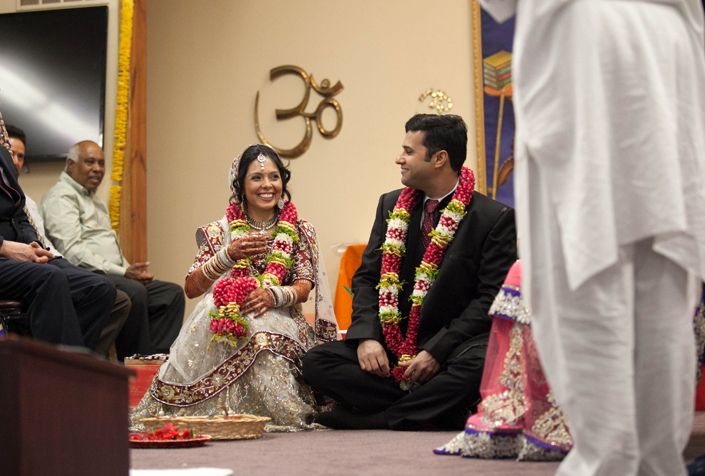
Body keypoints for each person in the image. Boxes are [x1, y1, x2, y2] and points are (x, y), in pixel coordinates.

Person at [468, 0, 705, 474]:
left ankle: (608, 461)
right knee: (665, 271)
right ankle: (659, 462)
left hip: (581, 23)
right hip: (671, 32)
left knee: (580, 270)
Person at [302, 114, 517, 430]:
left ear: (439, 159)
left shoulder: (492, 218)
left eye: (408, 151)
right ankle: (436, 411)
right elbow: (366, 278)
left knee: (481, 362)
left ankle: (380, 418)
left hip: (452, 348)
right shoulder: (390, 205)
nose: (398, 159)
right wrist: (367, 338)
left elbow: (488, 300)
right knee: (317, 363)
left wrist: (436, 351)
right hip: (393, 343)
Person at [129, 144, 338, 431]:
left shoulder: (299, 229)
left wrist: (272, 295)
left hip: (282, 317)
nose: (267, 185)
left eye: (274, 177)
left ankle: (282, 413)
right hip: (228, 314)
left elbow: (304, 286)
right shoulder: (219, 231)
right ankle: (211, 408)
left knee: (259, 330)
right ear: (239, 185)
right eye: (256, 178)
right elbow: (191, 287)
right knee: (215, 306)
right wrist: (228, 255)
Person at [0, 57, 116, 349]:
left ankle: (57, 367)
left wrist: (32, 246)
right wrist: (3, 247)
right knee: (48, 279)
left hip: (18, 255)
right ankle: (63, 384)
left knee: (100, 288)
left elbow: (18, 214)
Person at [41, 140, 185, 359]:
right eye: (90, 162)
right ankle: (134, 370)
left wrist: (129, 270)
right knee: (134, 292)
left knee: (171, 294)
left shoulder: (95, 200)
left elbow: (108, 246)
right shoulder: (61, 198)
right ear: (71, 165)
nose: (98, 169)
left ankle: (155, 367)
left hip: (112, 274)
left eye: (101, 163)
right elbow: (72, 251)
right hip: (85, 277)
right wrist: (124, 273)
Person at [5, 124, 131, 358]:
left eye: (21, 156)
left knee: (110, 291)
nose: (15, 161)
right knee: (119, 292)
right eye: (10, 153)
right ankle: (65, 367)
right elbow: (70, 247)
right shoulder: (57, 197)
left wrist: (125, 269)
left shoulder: (27, 201)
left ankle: (85, 365)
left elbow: (44, 244)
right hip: (18, 266)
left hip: (46, 260)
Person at [433, 259, 573, 460]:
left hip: (464, 340)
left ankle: (395, 414)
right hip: (404, 344)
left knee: (470, 368)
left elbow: (485, 297)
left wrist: (436, 351)